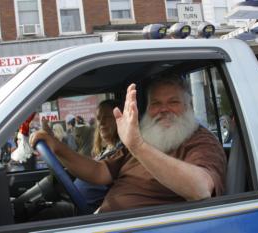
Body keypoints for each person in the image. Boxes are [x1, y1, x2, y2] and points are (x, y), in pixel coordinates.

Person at [30, 74, 227, 213]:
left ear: (188, 106)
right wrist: (57, 147)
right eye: (156, 104)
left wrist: (138, 146)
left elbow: (200, 189)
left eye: (173, 102)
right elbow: (99, 172)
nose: (163, 109)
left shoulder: (201, 141)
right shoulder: (147, 136)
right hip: (105, 220)